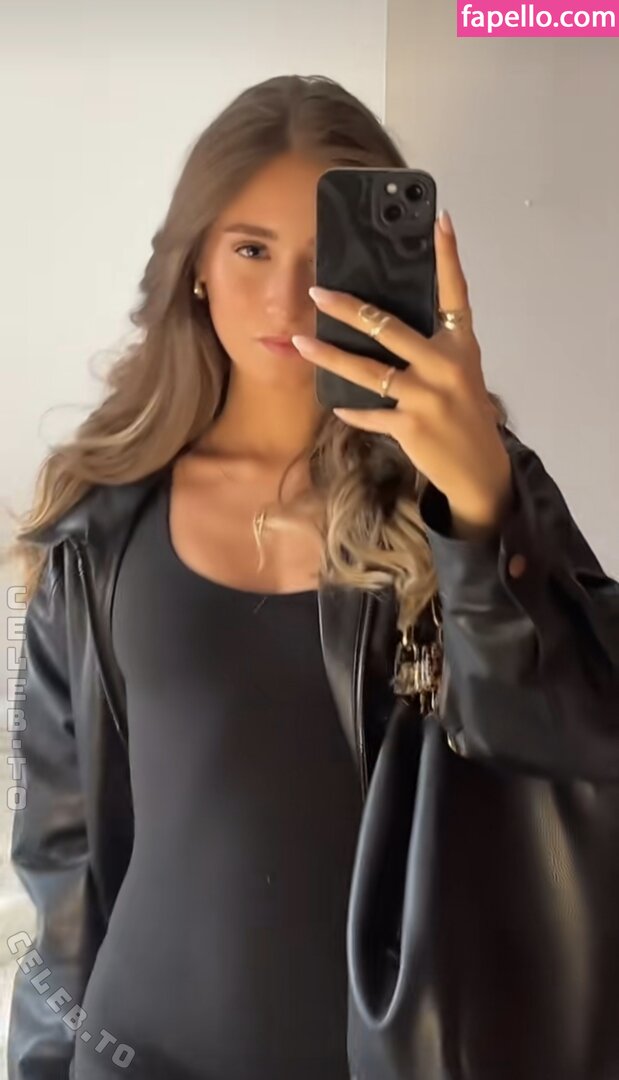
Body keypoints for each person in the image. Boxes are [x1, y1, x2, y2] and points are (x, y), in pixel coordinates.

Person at [5, 74, 619, 1080]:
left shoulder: (466, 486)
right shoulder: (98, 528)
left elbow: (577, 739)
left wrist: (478, 512)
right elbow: (59, 865)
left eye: (324, 259)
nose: (288, 300)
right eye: (250, 249)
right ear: (195, 265)